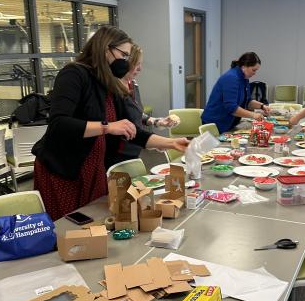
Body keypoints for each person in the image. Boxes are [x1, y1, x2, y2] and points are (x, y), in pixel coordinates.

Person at [33, 26, 189, 220]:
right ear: (106, 49)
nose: (125, 62)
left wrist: (171, 143)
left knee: (94, 220)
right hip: (64, 168)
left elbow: (132, 130)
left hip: (93, 165)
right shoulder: (74, 74)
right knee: (70, 226)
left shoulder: (107, 81)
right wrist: (107, 126)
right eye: (123, 55)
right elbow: (59, 124)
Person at [201, 52, 270, 133]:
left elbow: (247, 101)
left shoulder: (244, 78)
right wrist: (253, 115)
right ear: (244, 66)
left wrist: (262, 106)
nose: (255, 73)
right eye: (253, 70)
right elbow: (231, 108)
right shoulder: (231, 78)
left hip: (228, 123)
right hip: (215, 124)